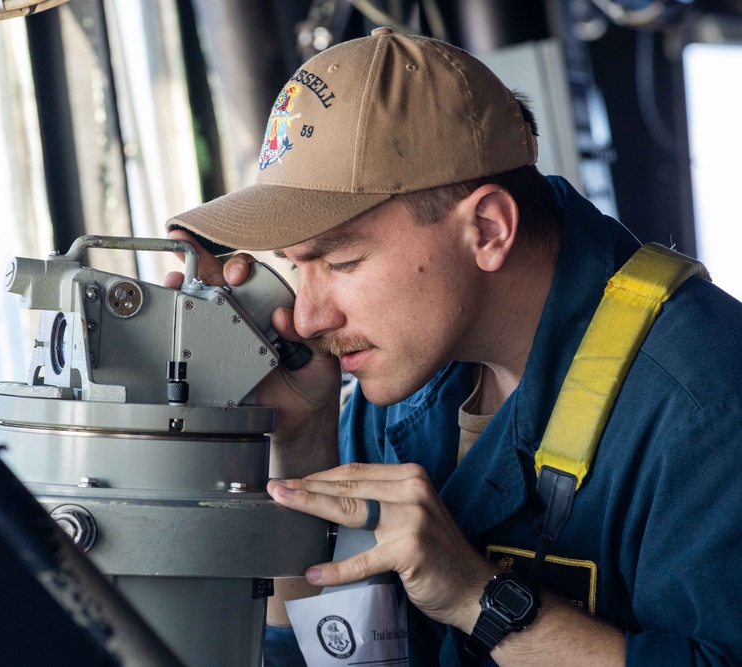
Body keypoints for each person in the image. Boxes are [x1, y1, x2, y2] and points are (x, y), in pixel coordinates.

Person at [166, 27, 742, 666]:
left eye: (344, 261)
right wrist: (299, 443)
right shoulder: (400, 380)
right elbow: (326, 653)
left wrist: (476, 597)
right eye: (295, 266)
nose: (305, 318)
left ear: (488, 230)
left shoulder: (707, 403)